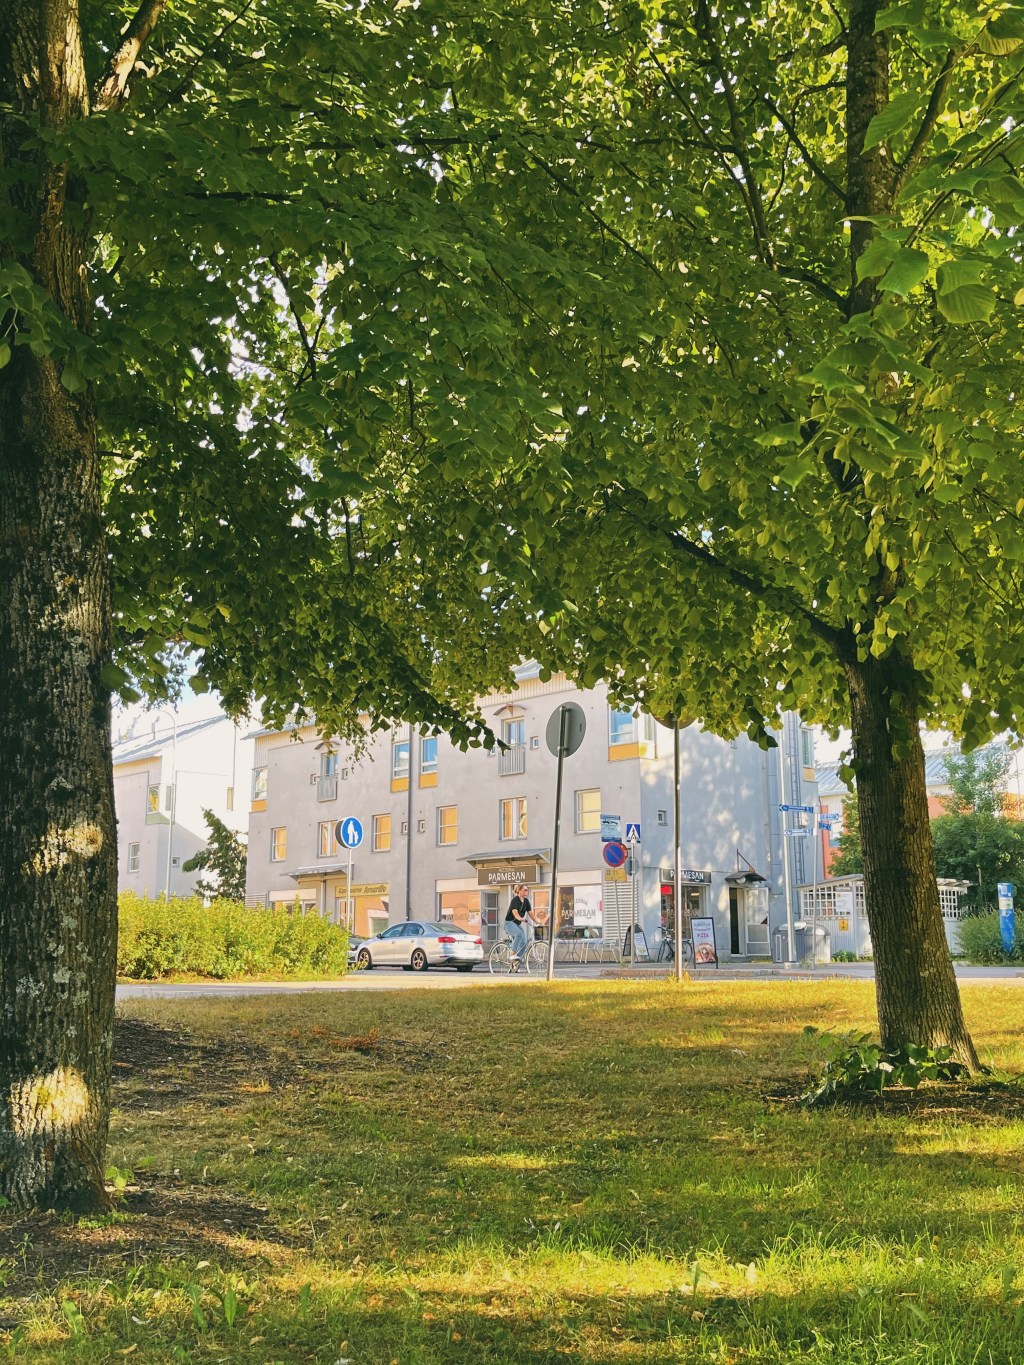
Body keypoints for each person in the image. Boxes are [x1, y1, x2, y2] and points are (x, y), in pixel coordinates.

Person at [505, 885, 528, 965]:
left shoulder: (526, 901)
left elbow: (531, 913)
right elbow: (515, 912)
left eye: (527, 890)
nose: (526, 892)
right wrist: (520, 918)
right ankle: (513, 954)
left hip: (517, 925)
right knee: (518, 934)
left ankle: (515, 963)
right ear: (520, 891)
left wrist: (537, 921)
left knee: (524, 942)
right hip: (509, 923)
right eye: (525, 890)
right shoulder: (514, 900)